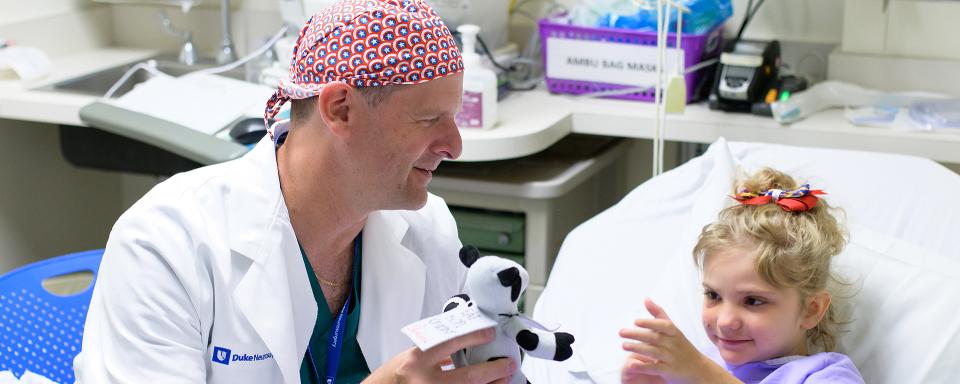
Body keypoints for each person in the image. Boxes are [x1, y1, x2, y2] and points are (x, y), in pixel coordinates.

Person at [74, 1, 516, 383]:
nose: (453, 146)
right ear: (340, 109)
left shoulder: (428, 229)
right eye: (428, 120)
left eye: (453, 119)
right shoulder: (166, 244)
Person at [619, 168, 865, 383]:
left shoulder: (824, 375)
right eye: (713, 295)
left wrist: (702, 374)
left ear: (810, 310)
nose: (725, 322)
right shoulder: (701, 360)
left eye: (753, 301)